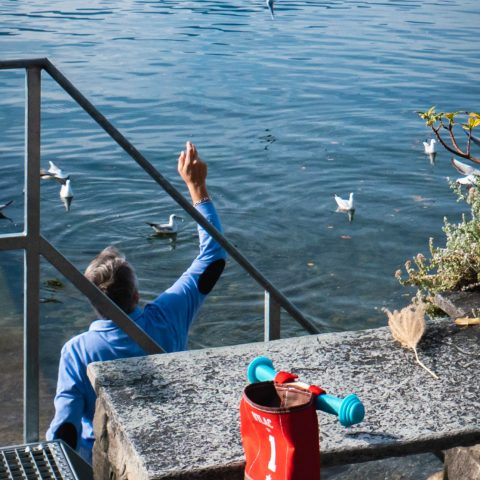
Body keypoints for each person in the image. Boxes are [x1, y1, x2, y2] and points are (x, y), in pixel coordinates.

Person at [46, 141, 226, 463]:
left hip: (107, 462)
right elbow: (213, 258)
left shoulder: (77, 351)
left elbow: (65, 429)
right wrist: (197, 187)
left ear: (93, 303)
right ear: (136, 296)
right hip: (170, 448)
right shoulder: (168, 316)